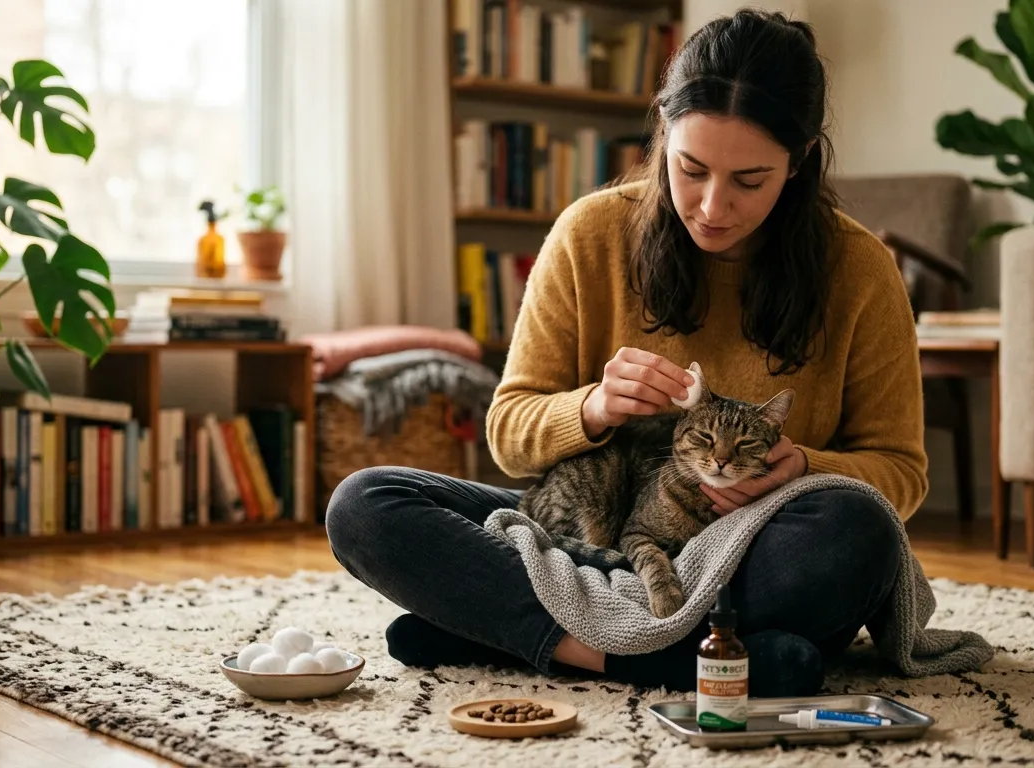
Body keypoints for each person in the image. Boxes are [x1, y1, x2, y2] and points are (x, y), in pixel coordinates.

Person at [325, 9, 926, 696]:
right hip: (595, 545)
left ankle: (524, 631)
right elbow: (509, 437)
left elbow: (901, 473)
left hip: (748, 553)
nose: (712, 207)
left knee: (857, 532)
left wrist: (802, 469)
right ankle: (668, 658)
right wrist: (593, 408)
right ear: (663, 129)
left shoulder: (860, 269)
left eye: (749, 180)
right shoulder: (591, 233)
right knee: (365, 504)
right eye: (690, 168)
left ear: (800, 160)